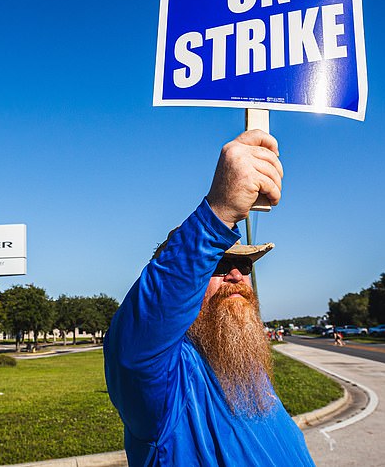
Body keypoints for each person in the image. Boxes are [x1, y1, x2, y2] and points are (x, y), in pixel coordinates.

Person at [103, 130, 313, 466]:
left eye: (243, 264)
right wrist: (219, 212)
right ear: (186, 280)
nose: (237, 276)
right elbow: (139, 343)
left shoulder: (241, 364)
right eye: (217, 264)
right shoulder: (168, 379)